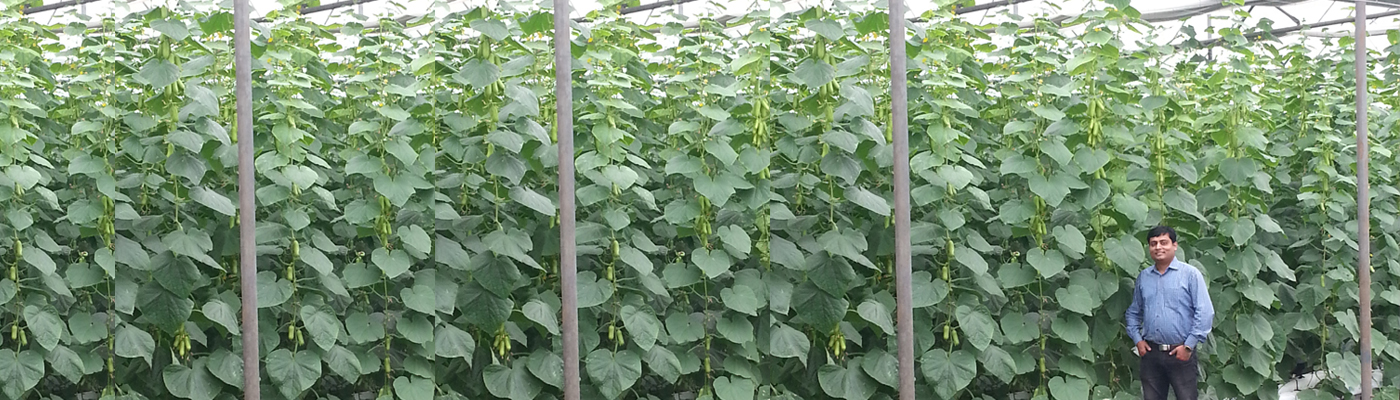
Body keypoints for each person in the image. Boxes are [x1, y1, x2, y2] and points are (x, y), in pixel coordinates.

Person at [1125, 225, 1215, 400]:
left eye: (1163, 242)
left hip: (1180, 353)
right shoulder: (1144, 277)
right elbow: (1133, 312)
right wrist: (1138, 340)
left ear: (1175, 245)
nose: (1158, 247)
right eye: (1153, 243)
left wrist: (1188, 346)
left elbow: (1204, 312)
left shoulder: (1190, 275)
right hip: (1151, 353)